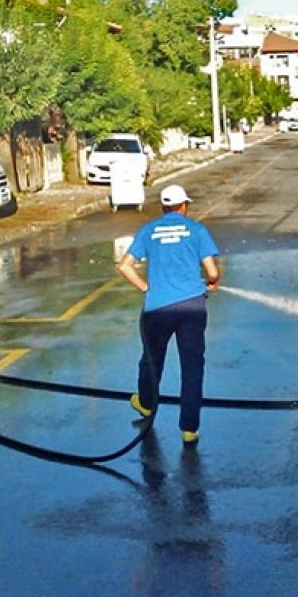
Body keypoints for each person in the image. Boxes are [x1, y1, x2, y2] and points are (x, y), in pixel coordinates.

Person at [117, 184, 221, 445]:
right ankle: (189, 428)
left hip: (157, 309)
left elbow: (124, 266)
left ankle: (146, 404)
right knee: (192, 366)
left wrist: (145, 287)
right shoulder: (196, 230)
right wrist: (210, 282)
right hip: (192, 308)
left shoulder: (149, 230)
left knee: (152, 360)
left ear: (163, 207)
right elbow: (212, 271)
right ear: (184, 206)